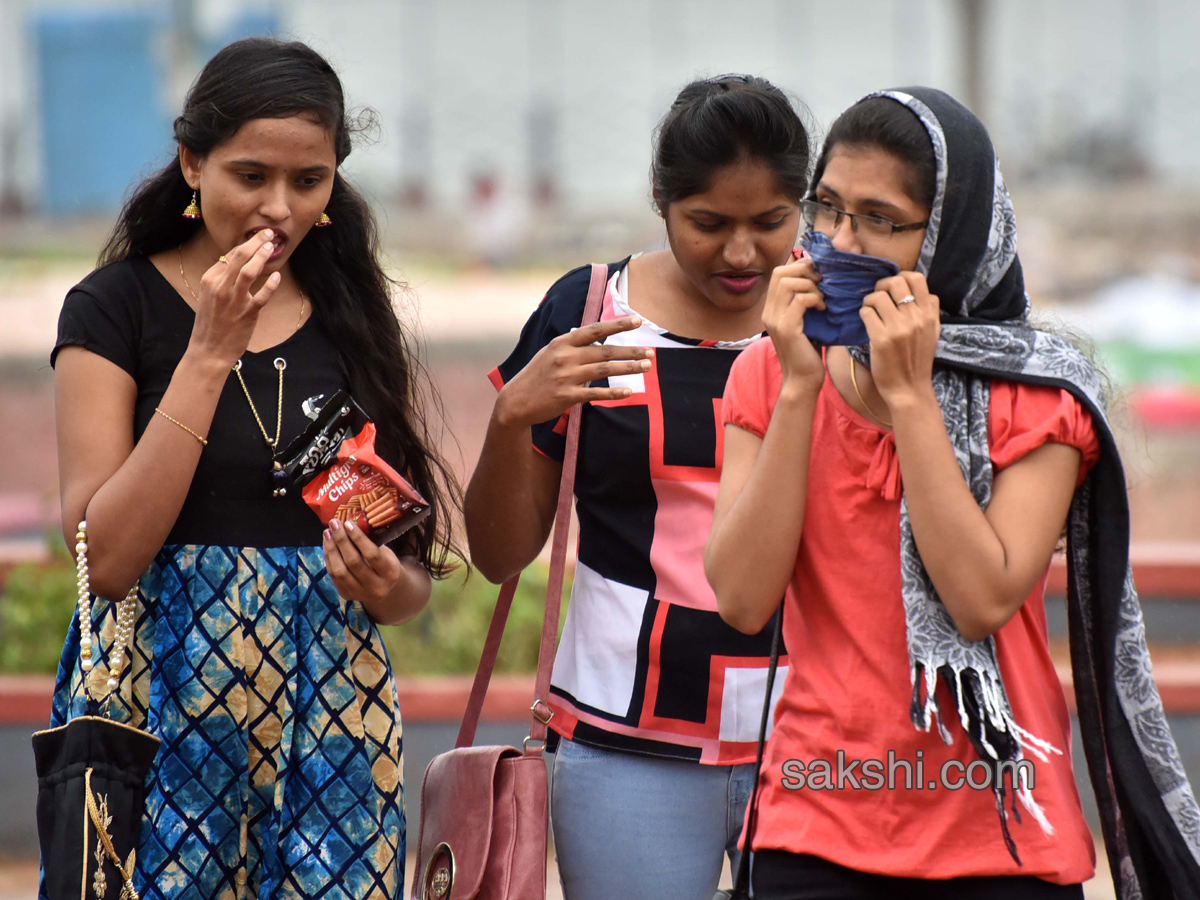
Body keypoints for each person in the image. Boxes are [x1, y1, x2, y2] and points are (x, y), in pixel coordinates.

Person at [706, 87, 1200, 900]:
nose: (839, 241)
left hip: (1001, 833)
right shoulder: (769, 370)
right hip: (813, 821)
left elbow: (979, 598)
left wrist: (909, 401)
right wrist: (799, 389)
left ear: (947, 236)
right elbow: (741, 597)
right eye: (825, 207)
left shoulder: (1038, 395)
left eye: (878, 219)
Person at [45, 38, 460, 900]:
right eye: (250, 175)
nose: (279, 206)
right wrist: (208, 354)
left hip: (332, 721)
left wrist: (383, 582)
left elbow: (411, 583)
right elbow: (107, 559)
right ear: (192, 164)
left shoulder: (350, 314)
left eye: (307, 182)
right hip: (159, 716)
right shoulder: (113, 310)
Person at [464, 75, 812, 899]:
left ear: (806, 205)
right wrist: (513, 418)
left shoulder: (845, 322)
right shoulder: (589, 311)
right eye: (708, 224)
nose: (739, 254)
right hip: (621, 750)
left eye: (770, 223)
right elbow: (498, 553)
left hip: (819, 743)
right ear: (660, 201)